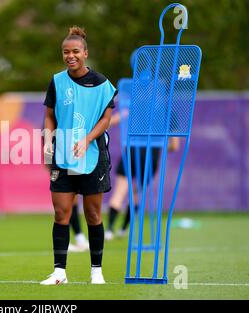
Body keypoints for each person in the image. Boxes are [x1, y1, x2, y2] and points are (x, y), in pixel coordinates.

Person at [41, 26, 117, 285]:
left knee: (93, 215)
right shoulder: (56, 81)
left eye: (75, 51)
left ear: (85, 53)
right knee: (61, 213)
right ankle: (59, 272)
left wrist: (86, 140)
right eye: (65, 52)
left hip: (92, 156)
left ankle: (96, 271)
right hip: (62, 157)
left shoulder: (103, 84)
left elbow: (106, 120)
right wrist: (48, 138)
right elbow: (49, 115)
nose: (70, 56)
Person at [105, 111, 180, 240]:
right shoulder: (168, 112)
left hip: (131, 153)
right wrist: (159, 145)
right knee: (136, 196)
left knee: (119, 193)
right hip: (150, 157)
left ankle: (109, 230)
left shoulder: (136, 107)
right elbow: (174, 146)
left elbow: (110, 122)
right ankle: (123, 229)